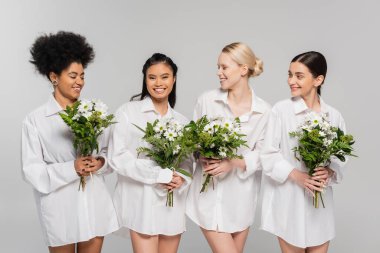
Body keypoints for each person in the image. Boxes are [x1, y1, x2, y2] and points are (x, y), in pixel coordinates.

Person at [21, 31, 119, 253]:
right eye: (73, 75)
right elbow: (32, 171)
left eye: (82, 76)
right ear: (54, 76)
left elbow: (110, 152)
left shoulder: (95, 113)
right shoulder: (35, 120)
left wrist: (101, 162)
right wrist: (71, 168)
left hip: (94, 202)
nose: (80, 82)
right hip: (60, 206)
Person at [186, 42, 271, 253]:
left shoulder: (264, 111)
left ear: (243, 69)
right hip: (208, 197)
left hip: (241, 200)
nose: (219, 73)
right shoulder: (207, 101)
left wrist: (233, 163)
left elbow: (266, 155)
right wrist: (201, 155)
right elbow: (191, 144)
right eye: (218, 67)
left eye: (224, 67)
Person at [260, 51, 347, 253]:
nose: (291, 81)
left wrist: (330, 171)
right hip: (289, 202)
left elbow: (340, 157)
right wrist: (297, 175)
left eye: (299, 76)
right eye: (290, 75)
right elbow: (268, 154)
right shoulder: (280, 111)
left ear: (318, 79)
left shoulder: (334, 116)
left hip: (320, 206)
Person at [108, 53, 192, 253]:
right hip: (141, 203)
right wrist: (158, 174)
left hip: (172, 204)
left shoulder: (182, 122)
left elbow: (187, 162)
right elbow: (118, 157)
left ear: (174, 79)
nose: (158, 83)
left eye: (164, 77)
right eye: (152, 77)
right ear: (145, 80)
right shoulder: (127, 112)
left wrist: (181, 178)